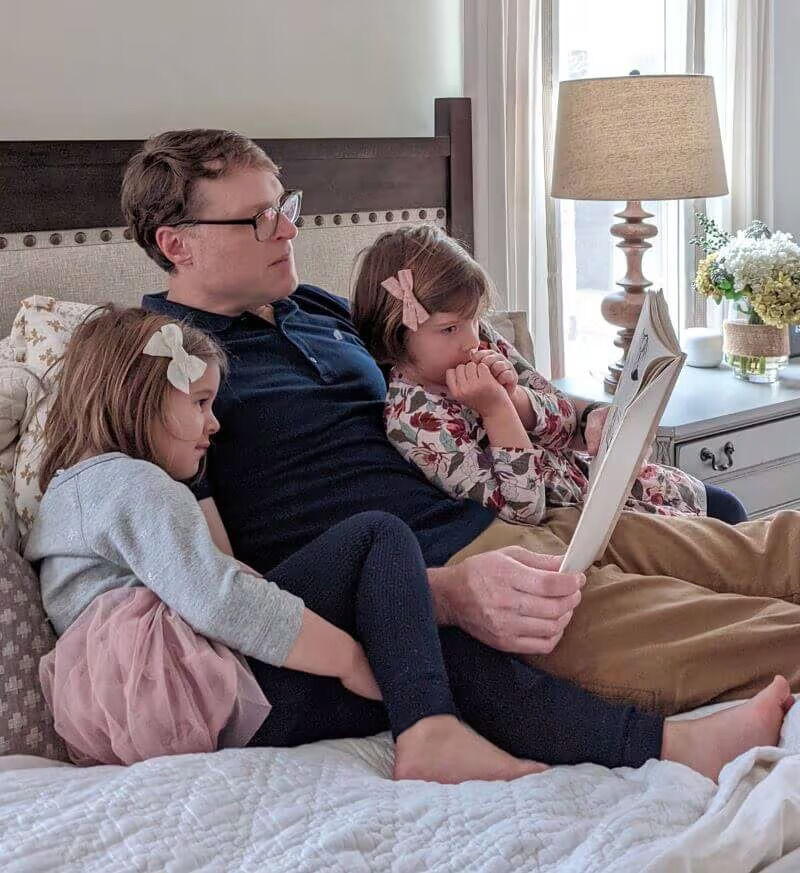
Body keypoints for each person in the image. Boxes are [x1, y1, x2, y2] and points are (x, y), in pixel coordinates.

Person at [126, 129, 800, 719]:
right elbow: (216, 579)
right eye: (259, 220)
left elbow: (455, 368)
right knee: (749, 633)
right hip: (451, 577)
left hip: (515, 512)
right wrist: (437, 596)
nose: (289, 230)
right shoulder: (160, 366)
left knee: (763, 547)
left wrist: (586, 415)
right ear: (176, 243)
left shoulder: (320, 309)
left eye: (286, 208)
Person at [26, 305, 782, 780]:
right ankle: (428, 729)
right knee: (375, 540)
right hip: (199, 687)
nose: (215, 424)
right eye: (198, 404)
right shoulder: (127, 483)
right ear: (136, 398)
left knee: (444, 658)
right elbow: (222, 594)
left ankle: (666, 746)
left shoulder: (78, 497)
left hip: (224, 712)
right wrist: (358, 659)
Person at [349, 223, 744, 526]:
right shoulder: (415, 421)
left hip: (591, 479)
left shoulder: (481, 342)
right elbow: (524, 507)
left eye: (473, 320)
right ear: (394, 336)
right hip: (577, 516)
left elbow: (563, 417)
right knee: (720, 541)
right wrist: (496, 409)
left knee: (725, 506)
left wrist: (518, 399)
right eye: (450, 328)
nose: (471, 339)